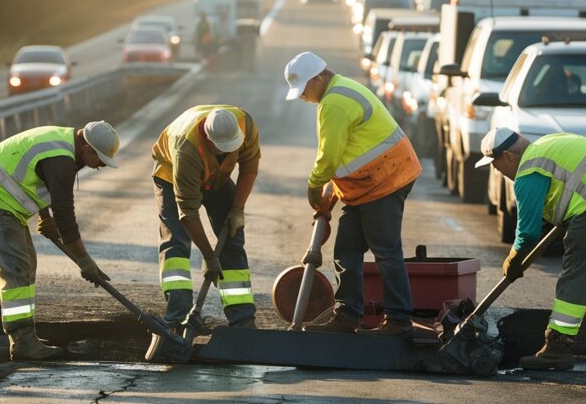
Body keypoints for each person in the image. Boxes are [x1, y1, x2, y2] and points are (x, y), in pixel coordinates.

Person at [475, 127, 586, 370]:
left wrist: (514, 259)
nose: (497, 170)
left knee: (575, 275)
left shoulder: (529, 170)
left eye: (495, 164)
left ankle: (557, 348)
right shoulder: (547, 144)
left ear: (508, 157)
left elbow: (528, 232)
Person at [283, 51, 422, 337]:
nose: (301, 97)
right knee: (346, 248)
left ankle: (398, 321)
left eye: (304, 89)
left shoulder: (334, 103)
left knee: (385, 250)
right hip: (369, 184)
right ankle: (347, 314)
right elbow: (348, 159)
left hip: (385, 180)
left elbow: (329, 158)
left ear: (319, 78)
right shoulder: (340, 90)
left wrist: (313, 188)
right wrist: (328, 202)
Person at [0, 121, 120, 361]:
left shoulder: (66, 146)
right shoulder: (62, 159)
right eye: (100, 159)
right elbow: (66, 220)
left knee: (26, 264)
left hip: (1, 198)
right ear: (87, 147)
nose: (100, 166)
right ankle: (22, 341)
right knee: (17, 268)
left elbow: (43, 181)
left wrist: (45, 217)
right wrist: (85, 262)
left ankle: (25, 337)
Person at [151, 105, 260, 330]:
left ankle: (242, 318)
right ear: (209, 140)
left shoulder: (245, 124)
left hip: (216, 177)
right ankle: (178, 318)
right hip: (172, 175)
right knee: (177, 243)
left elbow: (249, 166)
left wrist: (237, 209)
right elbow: (188, 212)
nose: (228, 151)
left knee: (232, 238)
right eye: (223, 148)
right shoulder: (187, 149)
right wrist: (209, 256)